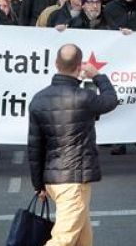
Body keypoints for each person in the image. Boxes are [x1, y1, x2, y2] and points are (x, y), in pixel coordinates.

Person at [28, 43, 118, 246]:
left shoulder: (38, 100)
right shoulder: (84, 97)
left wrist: (38, 184)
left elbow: (35, 147)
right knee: (63, 240)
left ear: (55, 64)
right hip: (74, 179)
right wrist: (98, 76)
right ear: (79, 67)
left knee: (82, 239)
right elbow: (111, 100)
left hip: (53, 179)